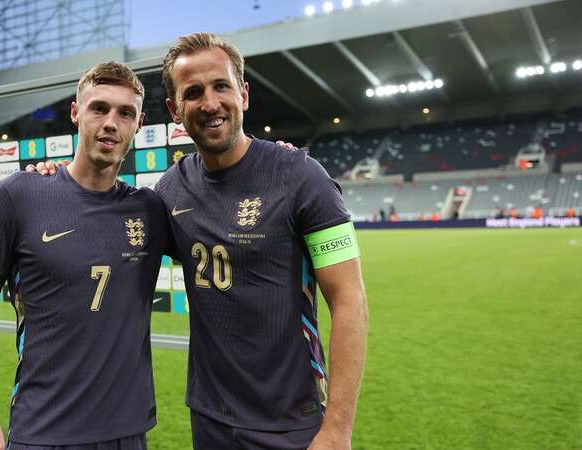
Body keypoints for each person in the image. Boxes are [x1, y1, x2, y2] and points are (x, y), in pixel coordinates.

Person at [34, 32, 369, 450]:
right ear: (175, 110)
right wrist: (51, 183)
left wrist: (337, 429)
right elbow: (101, 226)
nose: (210, 104)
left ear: (244, 94)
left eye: (221, 86)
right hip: (209, 420)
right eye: (193, 93)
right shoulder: (170, 191)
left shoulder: (302, 177)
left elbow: (350, 301)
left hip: (291, 421)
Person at [0, 62, 168, 450]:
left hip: (127, 434)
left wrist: (276, 159)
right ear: (76, 113)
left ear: (138, 124)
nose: (111, 122)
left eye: (125, 113)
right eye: (99, 108)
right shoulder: (18, 196)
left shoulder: (150, 210)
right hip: (42, 430)